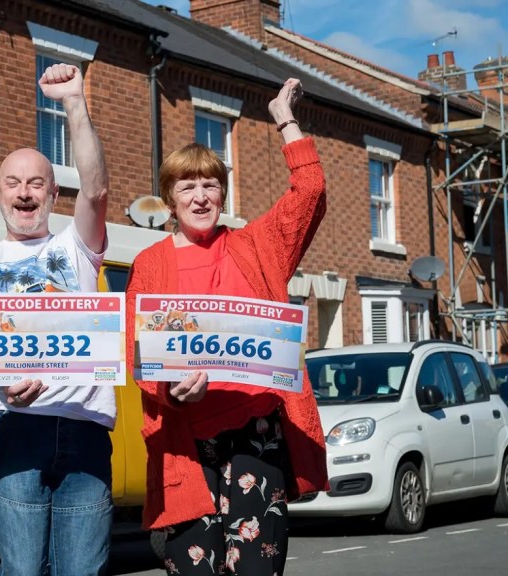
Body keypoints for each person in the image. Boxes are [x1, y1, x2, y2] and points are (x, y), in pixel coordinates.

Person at [125, 78, 329, 576]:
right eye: (187, 186)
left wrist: (284, 117)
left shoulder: (258, 246)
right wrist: (172, 390)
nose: (200, 196)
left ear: (223, 191)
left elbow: (311, 191)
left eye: (210, 184)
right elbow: (138, 353)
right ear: (169, 199)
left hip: (256, 434)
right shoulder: (150, 263)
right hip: (186, 445)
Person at [0, 62, 111, 576]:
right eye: (13, 183)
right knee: (21, 569)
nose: (24, 193)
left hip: (85, 428)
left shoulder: (76, 247)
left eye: (36, 183)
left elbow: (94, 191)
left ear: (54, 195)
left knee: (81, 571)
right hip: (14, 427)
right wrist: (3, 382)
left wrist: (73, 101)